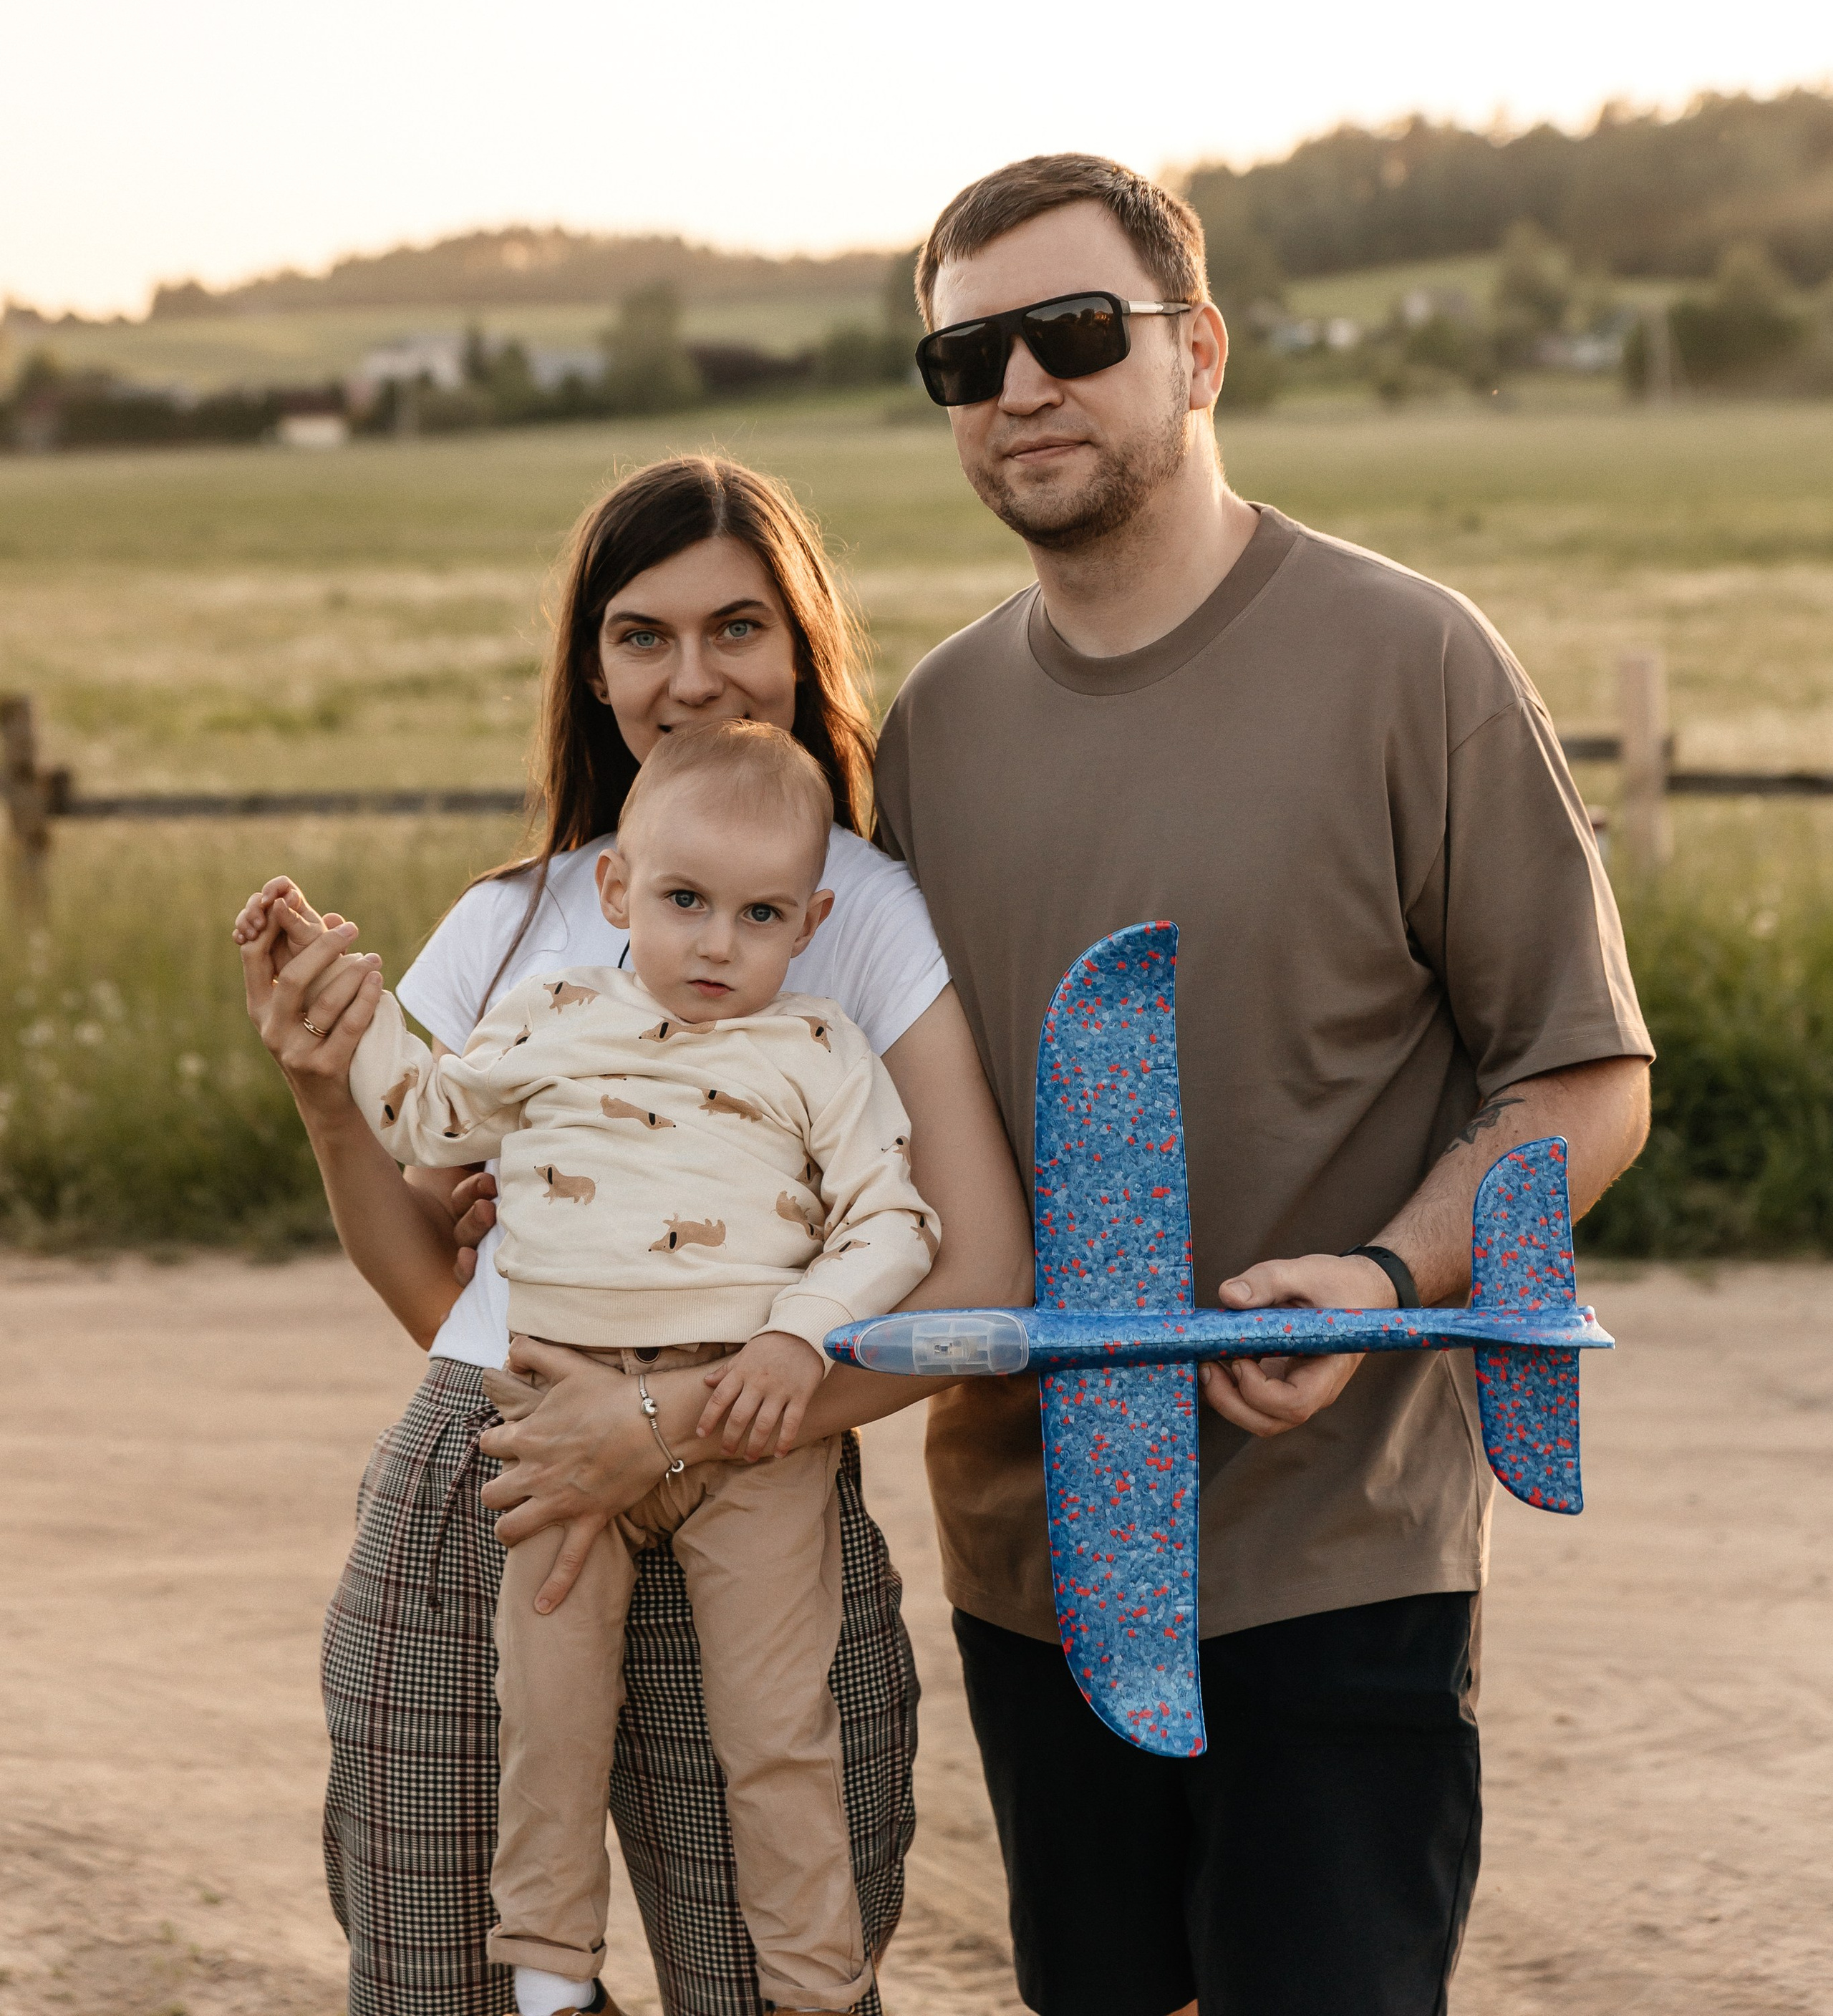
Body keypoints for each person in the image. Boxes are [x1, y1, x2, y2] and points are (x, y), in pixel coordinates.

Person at [871, 155, 1654, 2016]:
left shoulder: (1414, 664)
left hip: (1342, 1560)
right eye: (966, 361)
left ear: (1198, 349)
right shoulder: (933, 733)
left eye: (1072, 334)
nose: (1020, 390)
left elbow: (1588, 1078)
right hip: (1033, 1568)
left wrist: (1388, 1276)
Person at [237, 455, 1032, 2016]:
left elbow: (981, 1281)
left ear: (801, 650)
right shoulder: (517, 918)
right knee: (443, 1979)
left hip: (752, 1466)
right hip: (495, 1472)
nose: (689, 677)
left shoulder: (849, 914)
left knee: (767, 1979)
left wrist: (668, 1422)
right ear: (589, 670)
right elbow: (428, 1288)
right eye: (639, 635)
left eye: (736, 626)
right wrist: (329, 1093)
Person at [296, 717, 939, 2016]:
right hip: (550, 1409)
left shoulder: (818, 1051)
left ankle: (811, 1983)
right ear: (615, 893)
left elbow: (897, 1220)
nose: (716, 943)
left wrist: (792, 1333)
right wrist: (345, 1020)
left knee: (777, 1727)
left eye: (760, 915)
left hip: (752, 1429)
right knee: (550, 1703)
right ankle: (547, 1966)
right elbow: (424, 1116)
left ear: (809, 922)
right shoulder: (549, 1018)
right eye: (685, 901)